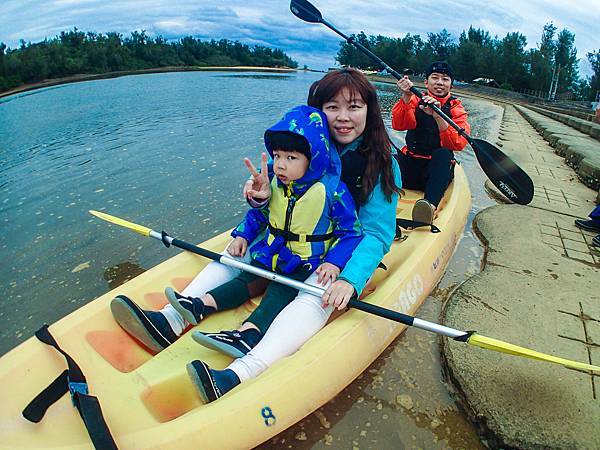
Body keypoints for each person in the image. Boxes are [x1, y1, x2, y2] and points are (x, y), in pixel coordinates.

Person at [186, 68, 402, 403]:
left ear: (369, 110)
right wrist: (255, 195)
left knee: (319, 290)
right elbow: (269, 195)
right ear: (318, 110)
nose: (344, 118)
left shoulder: (382, 161)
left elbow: (375, 233)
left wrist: (350, 278)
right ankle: (175, 316)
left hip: (340, 251)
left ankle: (240, 372)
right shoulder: (301, 142)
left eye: (354, 106)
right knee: (240, 250)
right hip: (289, 240)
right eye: (333, 107)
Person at [110, 105, 363, 354]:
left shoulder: (334, 192)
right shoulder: (274, 183)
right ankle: (200, 305)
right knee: (247, 278)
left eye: (291, 158)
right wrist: (242, 235)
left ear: (314, 158)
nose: (281, 165)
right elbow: (259, 214)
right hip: (270, 252)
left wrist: (334, 262)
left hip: (304, 262)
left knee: (279, 291)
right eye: (277, 156)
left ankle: (248, 335)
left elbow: (351, 232)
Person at [391, 61, 470, 224]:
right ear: (426, 82)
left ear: (451, 85)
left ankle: (429, 206)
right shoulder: (413, 100)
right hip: (411, 167)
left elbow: (457, 144)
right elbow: (399, 125)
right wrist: (406, 97)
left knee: (443, 153)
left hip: (434, 174)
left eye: (445, 79)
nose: (440, 82)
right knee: (382, 152)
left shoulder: (456, 109)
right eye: (435, 77)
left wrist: (438, 116)